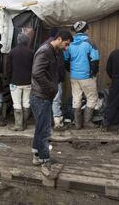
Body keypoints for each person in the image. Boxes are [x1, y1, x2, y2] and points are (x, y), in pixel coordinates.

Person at [31, 30, 73, 178]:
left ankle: (37, 155)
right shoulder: (45, 51)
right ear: (59, 39)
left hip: (44, 96)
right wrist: (51, 88)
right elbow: (37, 73)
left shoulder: (54, 50)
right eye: (66, 44)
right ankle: (45, 161)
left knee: (40, 127)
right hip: (41, 96)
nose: (66, 48)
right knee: (44, 131)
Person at [64, 21, 99, 129]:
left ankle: (78, 124)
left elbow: (65, 60)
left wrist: (72, 71)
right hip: (87, 76)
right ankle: (87, 122)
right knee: (92, 98)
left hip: (74, 76)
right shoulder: (90, 43)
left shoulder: (70, 43)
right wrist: (93, 73)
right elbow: (95, 60)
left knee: (76, 98)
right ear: (86, 30)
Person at [7, 33, 34, 131]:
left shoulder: (12, 52)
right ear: (27, 41)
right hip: (28, 82)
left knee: (17, 103)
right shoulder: (31, 52)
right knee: (26, 102)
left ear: (18, 40)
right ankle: (25, 123)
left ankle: (18, 125)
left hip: (15, 82)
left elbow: (8, 69)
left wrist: (9, 80)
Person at [42, 27, 66, 129]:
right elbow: (60, 65)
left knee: (46, 100)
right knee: (56, 100)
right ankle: (57, 122)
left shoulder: (43, 45)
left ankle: (46, 122)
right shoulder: (57, 48)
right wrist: (61, 77)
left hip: (45, 79)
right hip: (55, 79)